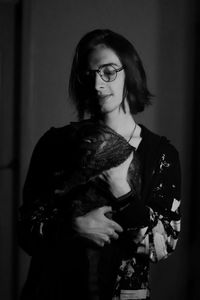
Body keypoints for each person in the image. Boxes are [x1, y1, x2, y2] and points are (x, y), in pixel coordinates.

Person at [18, 29, 181, 300]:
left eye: (108, 71)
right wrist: (72, 228)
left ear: (130, 71)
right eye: (89, 75)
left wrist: (121, 189)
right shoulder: (55, 143)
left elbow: (161, 246)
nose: (97, 85)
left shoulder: (160, 154)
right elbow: (25, 231)